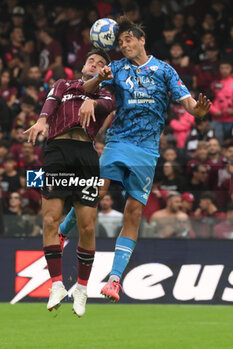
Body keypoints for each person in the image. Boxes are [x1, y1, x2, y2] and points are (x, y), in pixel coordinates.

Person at [60, 16, 211, 302]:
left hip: (147, 151)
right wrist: (98, 79)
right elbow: (88, 90)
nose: (125, 44)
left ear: (142, 40)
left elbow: (190, 104)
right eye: (120, 42)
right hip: (118, 142)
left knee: (133, 213)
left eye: (129, 39)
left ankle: (114, 280)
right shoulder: (115, 68)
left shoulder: (164, 70)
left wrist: (199, 112)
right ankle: (60, 233)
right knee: (96, 192)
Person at [24, 48, 115, 316]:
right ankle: (56, 284)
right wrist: (41, 120)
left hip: (86, 154)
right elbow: (51, 102)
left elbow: (106, 106)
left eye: (100, 63)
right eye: (91, 61)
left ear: (104, 70)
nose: (94, 64)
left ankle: (82, 289)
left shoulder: (106, 93)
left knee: (86, 226)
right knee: (51, 220)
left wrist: (95, 92)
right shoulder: (64, 84)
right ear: (84, 65)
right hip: (57, 152)